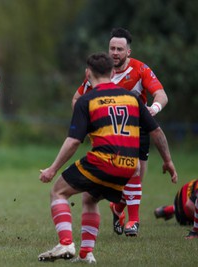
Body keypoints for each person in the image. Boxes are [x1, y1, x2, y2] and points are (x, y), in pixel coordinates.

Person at [38, 52, 177, 263]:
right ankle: (86, 254)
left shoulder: (87, 100)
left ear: (88, 73)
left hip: (102, 161)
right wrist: (168, 161)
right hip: (130, 166)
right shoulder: (131, 98)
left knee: (58, 192)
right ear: (112, 72)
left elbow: (74, 141)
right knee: (90, 198)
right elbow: (156, 131)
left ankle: (65, 243)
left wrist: (52, 169)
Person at [72, 27, 169, 237]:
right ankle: (133, 221)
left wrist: (154, 108)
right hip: (107, 131)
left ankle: (117, 209)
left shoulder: (140, 70)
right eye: (112, 48)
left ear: (128, 52)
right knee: (131, 172)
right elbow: (76, 99)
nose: (115, 52)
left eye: (119, 49)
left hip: (137, 128)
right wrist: (84, 125)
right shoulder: (99, 72)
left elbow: (161, 94)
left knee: (135, 181)